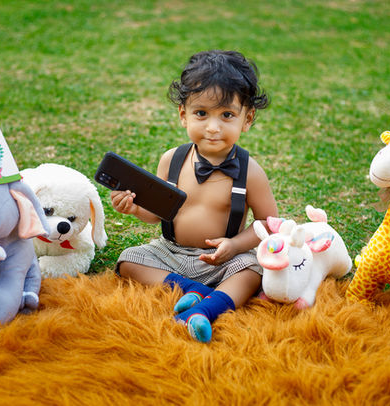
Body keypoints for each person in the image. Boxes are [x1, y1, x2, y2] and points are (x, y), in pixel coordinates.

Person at [111, 50, 278, 343]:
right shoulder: (171, 160)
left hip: (223, 260)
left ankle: (203, 311)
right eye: (201, 113)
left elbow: (269, 223)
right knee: (129, 260)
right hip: (171, 253)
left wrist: (235, 245)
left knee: (254, 269)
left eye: (227, 115)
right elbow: (157, 213)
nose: (213, 127)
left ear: (247, 118)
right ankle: (193, 290)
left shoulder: (250, 171)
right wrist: (134, 208)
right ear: (183, 115)